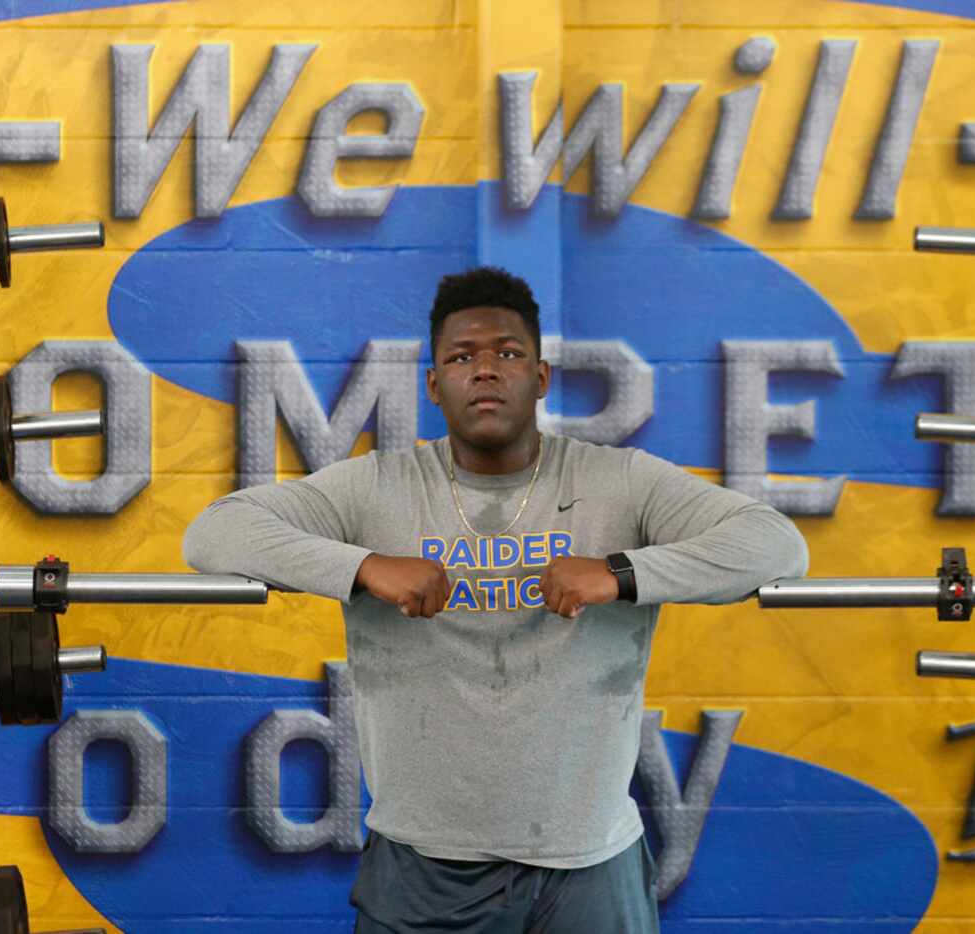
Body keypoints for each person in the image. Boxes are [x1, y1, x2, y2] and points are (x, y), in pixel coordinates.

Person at [183, 266, 810, 933]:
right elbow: (214, 532)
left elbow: (775, 546)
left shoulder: (619, 480)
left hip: (591, 861)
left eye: (508, 354)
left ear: (539, 378)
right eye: (462, 357)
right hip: (425, 862)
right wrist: (365, 566)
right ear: (434, 384)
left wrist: (619, 573)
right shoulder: (376, 488)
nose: (485, 370)